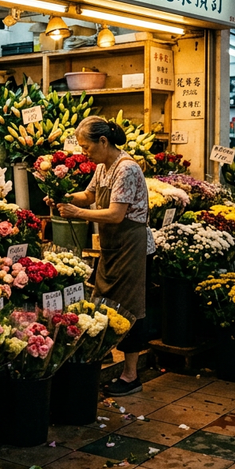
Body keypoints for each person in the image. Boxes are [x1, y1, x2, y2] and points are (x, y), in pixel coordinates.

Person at [55, 116, 153, 397]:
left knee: (129, 308)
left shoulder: (127, 169)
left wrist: (77, 214)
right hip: (111, 245)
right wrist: (64, 196)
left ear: (103, 141)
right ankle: (105, 353)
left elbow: (115, 214)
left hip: (131, 245)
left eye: (86, 147)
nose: (84, 152)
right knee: (102, 300)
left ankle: (131, 375)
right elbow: (88, 195)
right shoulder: (103, 167)